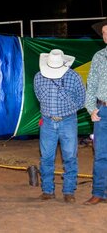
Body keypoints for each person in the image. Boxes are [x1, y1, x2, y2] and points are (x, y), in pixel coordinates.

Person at [33, 49, 86, 203]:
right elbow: (39, 96)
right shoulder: (39, 77)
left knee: (70, 157)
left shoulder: (74, 77)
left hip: (68, 120)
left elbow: (82, 99)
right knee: (46, 157)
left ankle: (69, 191)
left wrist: (67, 107)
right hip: (47, 121)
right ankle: (48, 191)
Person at [84, 18, 107, 205]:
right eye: (104, 33)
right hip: (103, 111)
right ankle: (99, 192)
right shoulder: (99, 56)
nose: (106, 35)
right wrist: (91, 108)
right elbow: (90, 85)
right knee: (100, 154)